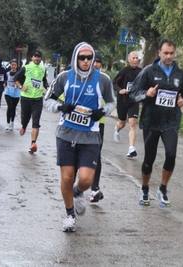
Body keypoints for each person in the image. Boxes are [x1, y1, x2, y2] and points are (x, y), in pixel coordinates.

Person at [44, 42, 115, 232]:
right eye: (82, 57)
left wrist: (102, 112)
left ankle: (78, 192)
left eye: (89, 58)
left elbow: (111, 103)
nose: (86, 61)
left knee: (86, 180)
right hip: (66, 133)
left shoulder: (103, 80)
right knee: (67, 177)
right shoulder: (64, 77)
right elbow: (47, 100)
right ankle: (69, 216)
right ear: (75, 58)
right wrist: (60, 107)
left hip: (89, 136)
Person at [130, 38, 183, 207]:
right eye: (166, 53)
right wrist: (146, 93)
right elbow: (134, 92)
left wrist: (182, 101)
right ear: (159, 53)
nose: (169, 56)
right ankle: (144, 188)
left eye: (171, 53)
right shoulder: (149, 71)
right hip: (152, 121)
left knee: (171, 155)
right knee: (149, 158)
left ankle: (162, 188)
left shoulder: (180, 74)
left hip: (170, 121)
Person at [13, 50, 48, 153]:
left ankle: (33, 143)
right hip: (25, 98)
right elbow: (15, 78)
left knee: (36, 122)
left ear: (40, 58)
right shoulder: (26, 68)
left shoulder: (43, 69)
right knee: (25, 118)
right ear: (32, 58)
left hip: (37, 99)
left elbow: (44, 80)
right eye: (35, 56)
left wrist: (47, 86)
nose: (37, 58)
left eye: (39, 57)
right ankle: (23, 126)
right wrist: (21, 86)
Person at [113, 51, 142, 157]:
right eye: (133, 58)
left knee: (133, 123)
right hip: (123, 100)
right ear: (129, 60)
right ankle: (117, 129)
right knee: (122, 123)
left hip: (133, 101)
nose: (135, 60)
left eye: (137, 58)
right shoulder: (124, 71)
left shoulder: (141, 72)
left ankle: (131, 148)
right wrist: (120, 90)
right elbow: (115, 82)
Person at [90, 50, 106, 203]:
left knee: (96, 155)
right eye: (93, 61)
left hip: (98, 124)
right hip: (79, 123)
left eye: (98, 62)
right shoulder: (79, 77)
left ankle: (95, 188)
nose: (95, 64)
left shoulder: (104, 80)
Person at [4, 59, 20, 131]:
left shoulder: (19, 74)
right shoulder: (7, 73)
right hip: (8, 92)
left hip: (16, 94)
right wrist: (4, 83)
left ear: (17, 66)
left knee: (13, 108)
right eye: (12, 65)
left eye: (15, 65)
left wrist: (19, 85)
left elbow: (22, 82)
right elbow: (4, 80)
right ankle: (7, 123)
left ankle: (12, 122)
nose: (13, 66)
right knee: (9, 107)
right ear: (10, 65)